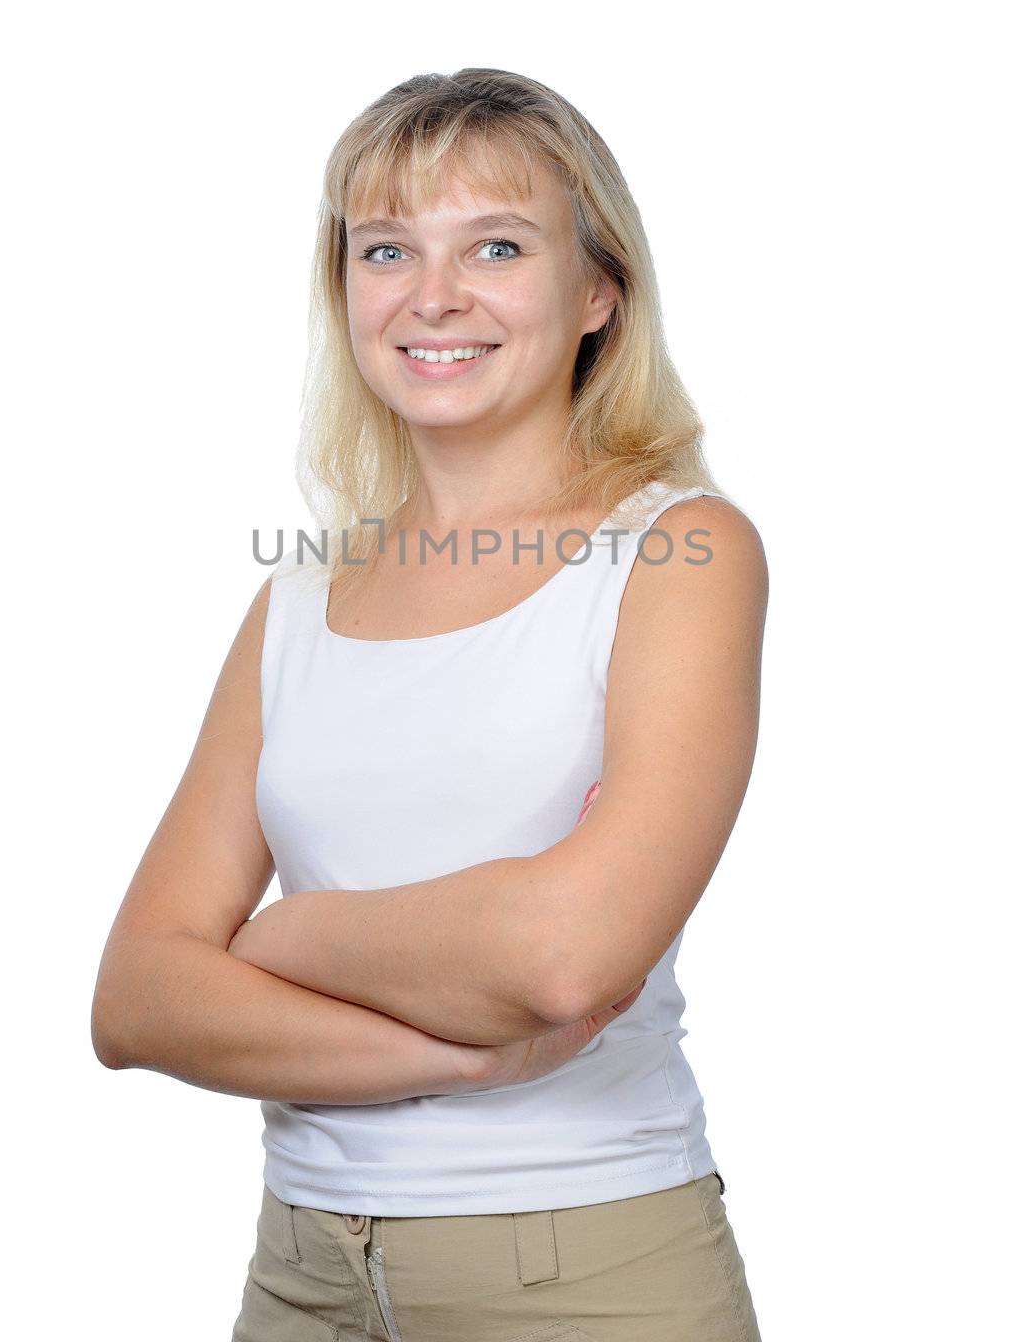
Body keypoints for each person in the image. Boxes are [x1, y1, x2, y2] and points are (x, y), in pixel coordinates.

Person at [92, 68, 769, 1340]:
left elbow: (570, 952)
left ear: (596, 293)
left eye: (496, 246)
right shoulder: (296, 597)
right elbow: (134, 998)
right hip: (300, 1275)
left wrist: (276, 944)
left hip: (586, 1271)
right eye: (386, 248)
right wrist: (466, 1054)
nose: (432, 295)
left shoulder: (679, 553)